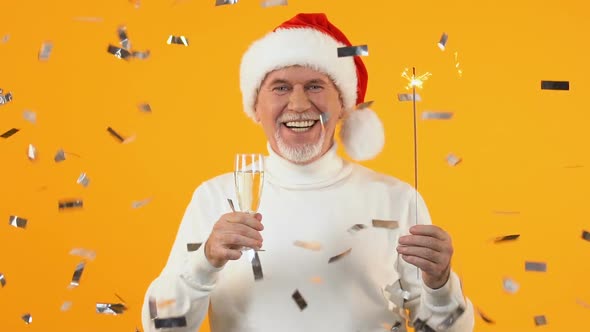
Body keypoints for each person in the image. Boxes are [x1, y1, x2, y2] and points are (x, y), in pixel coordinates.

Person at [142, 13, 474, 332]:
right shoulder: (214, 197)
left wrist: (440, 283)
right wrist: (205, 261)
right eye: (280, 88)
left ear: (343, 104)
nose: (299, 105)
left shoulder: (397, 199)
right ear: (255, 107)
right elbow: (159, 327)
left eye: (315, 86)